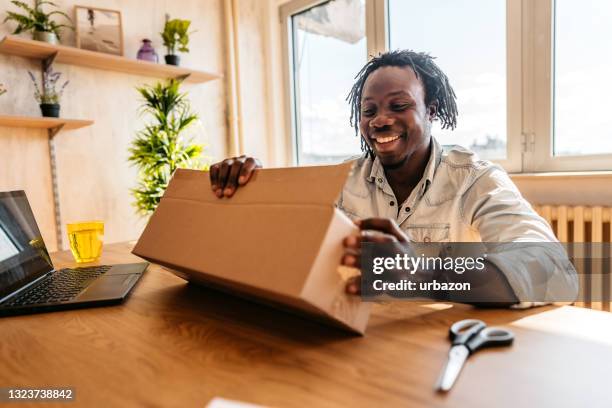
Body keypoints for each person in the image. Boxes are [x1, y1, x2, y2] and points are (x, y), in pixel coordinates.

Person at [208, 50, 578, 307]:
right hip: (359, 338)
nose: (380, 120)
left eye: (399, 106)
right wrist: (244, 189)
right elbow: (276, 245)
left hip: (444, 345)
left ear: (431, 111)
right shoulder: (341, 181)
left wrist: (423, 273)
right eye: (368, 110)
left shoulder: (474, 179)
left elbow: (553, 271)